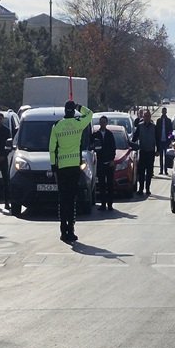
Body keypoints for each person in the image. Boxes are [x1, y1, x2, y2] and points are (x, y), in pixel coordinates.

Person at [49, 100, 93, 243]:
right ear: (73, 111)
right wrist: (79, 106)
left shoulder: (57, 126)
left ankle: (63, 230)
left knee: (63, 200)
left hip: (61, 168)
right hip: (74, 166)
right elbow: (90, 114)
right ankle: (71, 229)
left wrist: (53, 165)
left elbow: (51, 148)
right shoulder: (78, 123)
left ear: (64, 111)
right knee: (72, 199)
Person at [92, 115, 116, 210]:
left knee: (110, 185)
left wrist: (112, 160)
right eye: (101, 122)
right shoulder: (95, 134)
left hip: (109, 163)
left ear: (106, 123)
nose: (102, 123)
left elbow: (113, 148)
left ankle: (110, 205)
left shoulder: (110, 134)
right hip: (100, 163)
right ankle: (103, 204)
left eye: (104, 122)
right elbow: (92, 145)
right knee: (101, 185)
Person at [132, 109, 157, 195]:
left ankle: (148, 188)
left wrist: (158, 150)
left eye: (148, 116)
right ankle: (141, 189)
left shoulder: (154, 127)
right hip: (142, 151)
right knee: (141, 171)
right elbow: (135, 137)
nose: (147, 118)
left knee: (149, 172)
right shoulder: (140, 126)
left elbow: (157, 138)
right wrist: (131, 145)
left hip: (151, 152)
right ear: (143, 117)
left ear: (150, 117)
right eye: (145, 116)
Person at [155, 107, 173, 175]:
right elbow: (156, 132)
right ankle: (161, 170)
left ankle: (165, 170)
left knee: (166, 156)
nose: (164, 112)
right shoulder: (158, 121)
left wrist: (170, 140)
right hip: (160, 141)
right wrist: (156, 141)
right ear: (162, 112)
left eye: (165, 111)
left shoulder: (168, 121)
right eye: (163, 111)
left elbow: (170, 132)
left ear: (166, 112)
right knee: (161, 157)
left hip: (166, 141)